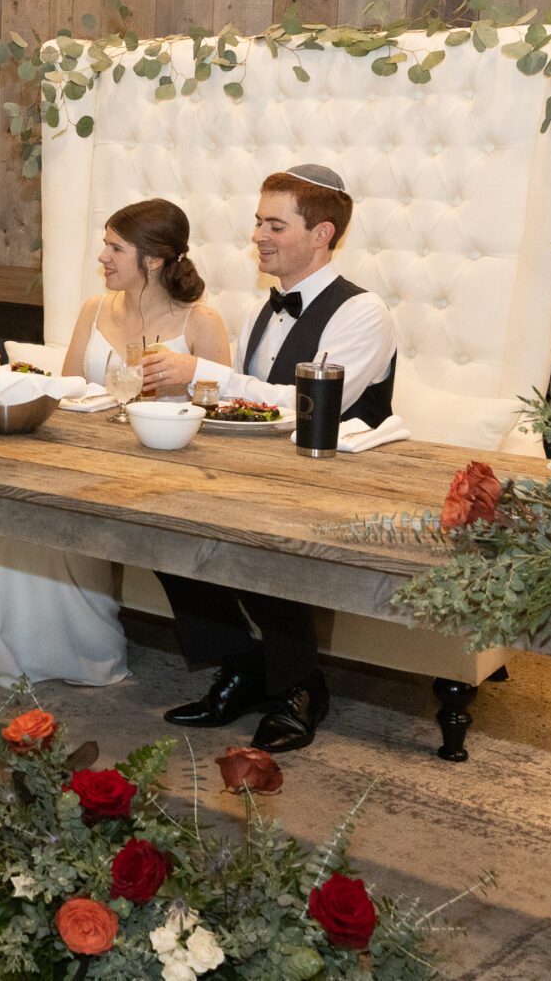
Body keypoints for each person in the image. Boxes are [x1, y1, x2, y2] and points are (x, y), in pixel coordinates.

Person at [140, 163, 398, 752]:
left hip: (340, 477)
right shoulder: (269, 305)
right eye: (258, 221)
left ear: (322, 234)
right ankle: (242, 664)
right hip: (267, 470)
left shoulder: (364, 313)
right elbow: (251, 404)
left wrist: (204, 373)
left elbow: (312, 405)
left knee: (271, 535)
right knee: (158, 523)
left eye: (275, 225)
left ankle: (299, 687)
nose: (259, 235)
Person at [0, 199, 230, 686]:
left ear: (154, 260)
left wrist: (180, 389)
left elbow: (222, 403)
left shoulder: (200, 321)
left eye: (116, 248)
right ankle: (12, 641)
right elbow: (69, 388)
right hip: (82, 458)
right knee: (22, 500)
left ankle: (76, 647)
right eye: (104, 245)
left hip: (157, 465)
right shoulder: (95, 309)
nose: (103, 257)